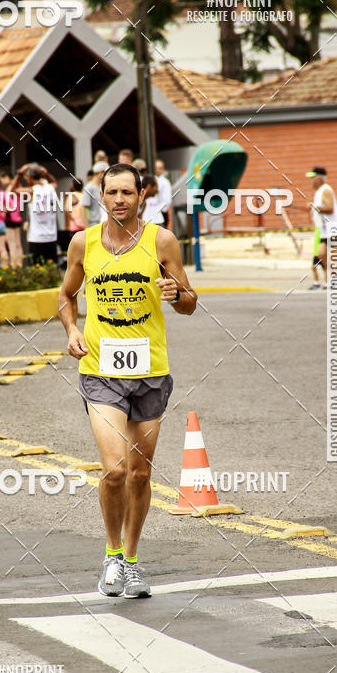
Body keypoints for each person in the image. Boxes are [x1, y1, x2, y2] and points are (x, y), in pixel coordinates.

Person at [58, 163, 197, 598]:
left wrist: (178, 296)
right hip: (101, 371)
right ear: (101, 196)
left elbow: (190, 301)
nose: (119, 199)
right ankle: (112, 556)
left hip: (150, 373)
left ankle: (133, 562)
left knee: (140, 474)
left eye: (127, 193)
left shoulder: (162, 241)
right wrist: (72, 330)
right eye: (111, 192)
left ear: (142, 196)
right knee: (115, 469)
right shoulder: (84, 244)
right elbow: (66, 296)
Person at [305, 167, 337, 288]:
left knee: (333, 256)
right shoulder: (318, 192)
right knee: (321, 255)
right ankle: (330, 280)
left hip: (334, 228)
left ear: (320, 178)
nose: (311, 181)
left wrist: (315, 207)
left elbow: (330, 208)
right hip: (324, 231)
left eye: (313, 178)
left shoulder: (326, 190)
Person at [23, 164, 58, 264]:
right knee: (51, 269)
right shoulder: (50, 188)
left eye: (26, 177)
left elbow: (11, 190)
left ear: (30, 177)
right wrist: (46, 174)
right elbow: (54, 182)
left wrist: (19, 174)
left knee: (36, 269)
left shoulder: (31, 190)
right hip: (51, 236)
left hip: (36, 237)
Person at [0, 168, 24, 267]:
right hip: (17, 217)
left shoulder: (11, 188)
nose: (1, 181)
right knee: (18, 243)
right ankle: (19, 264)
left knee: (12, 244)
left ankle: (14, 267)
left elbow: (8, 200)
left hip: (10, 218)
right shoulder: (19, 186)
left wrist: (4, 209)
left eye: (2, 178)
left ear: (7, 177)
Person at [80, 161, 108, 226]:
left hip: (105, 224)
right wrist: (87, 228)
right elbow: (82, 208)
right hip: (94, 225)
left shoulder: (103, 187)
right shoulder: (88, 188)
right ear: (101, 172)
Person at [154, 159, 172, 227]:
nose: (158, 170)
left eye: (160, 168)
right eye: (156, 168)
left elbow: (168, 200)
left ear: (163, 169)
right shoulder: (152, 180)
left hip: (162, 212)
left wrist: (161, 210)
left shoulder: (165, 182)